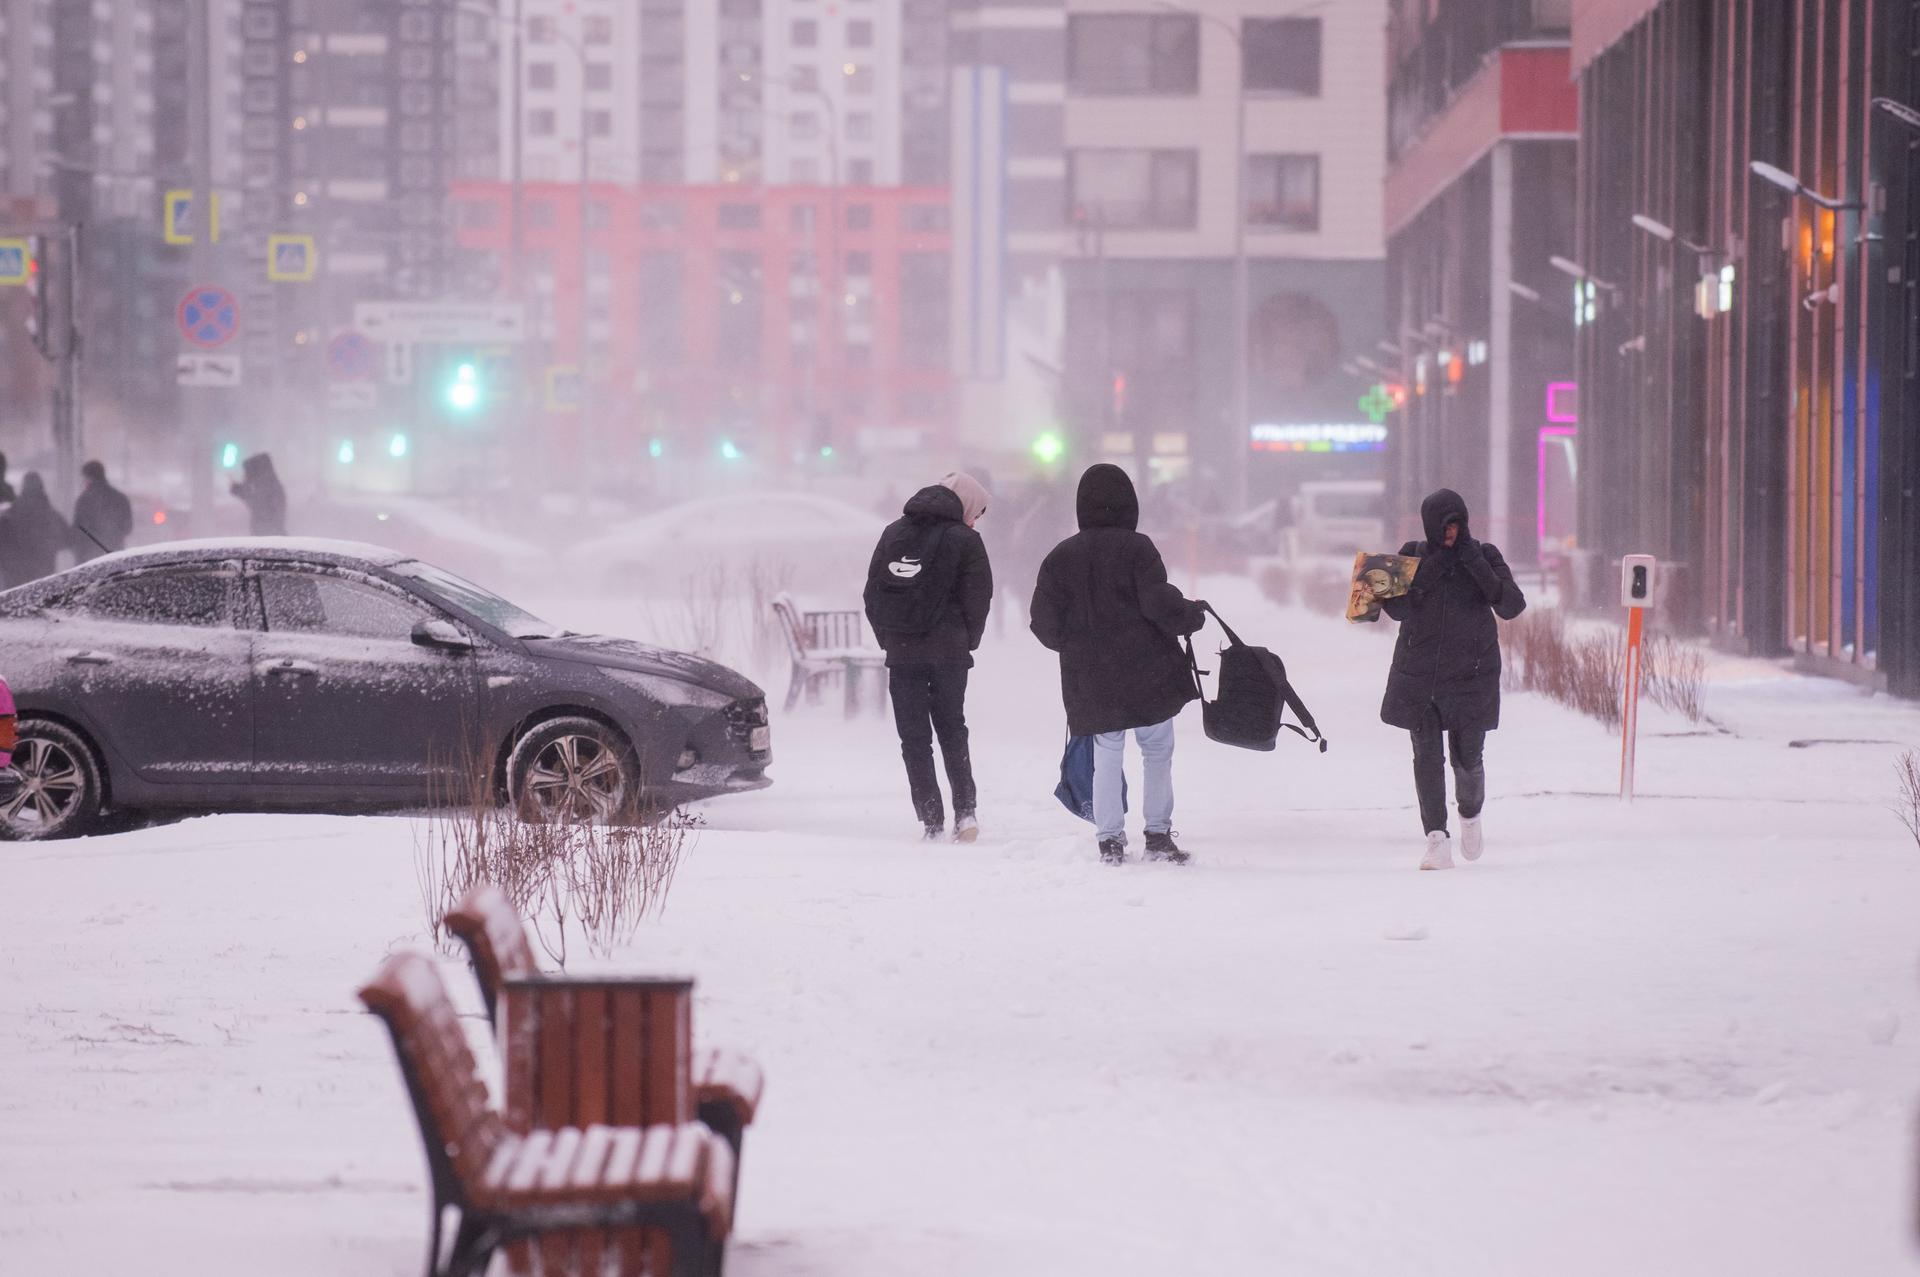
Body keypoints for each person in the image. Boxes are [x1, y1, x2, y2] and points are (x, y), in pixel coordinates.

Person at [1030, 464, 1207, 866]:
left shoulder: (1061, 556)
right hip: (1148, 670)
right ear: (1129, 503)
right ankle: (1158, 836)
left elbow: (1043, 622)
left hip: (1091, 675)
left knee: (1107, 753)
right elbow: (1157, 602)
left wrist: (1075, 645)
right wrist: (1190, 616)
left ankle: (1109, 840)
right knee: (1157, 750)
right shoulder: (1138, 548)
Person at [1378, 488, 1527, 871]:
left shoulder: (1485, 554)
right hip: (1419, 675)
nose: (1451, 533)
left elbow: (1510, 604)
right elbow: (1393, 609)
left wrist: (1471, 560)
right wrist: (1428, 571)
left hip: (1471, 675)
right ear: (1430, 526)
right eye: (1444, 526)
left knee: (1467, 759)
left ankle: (1470, 814)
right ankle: (1436, 840)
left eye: (1457, 525)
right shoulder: (1411, 554)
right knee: (1426, 757)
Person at [863, 472, 993, 842]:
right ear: (965, 504)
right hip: (949, 655)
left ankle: (930, 818)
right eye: (976, 513)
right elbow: (979, 596)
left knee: (914, 738)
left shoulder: (893, 534)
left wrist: (889, 638)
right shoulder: (966, 541)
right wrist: (968, 639)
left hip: (902, 655)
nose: (975, 520)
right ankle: (965, 813)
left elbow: (872, 593)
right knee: (953, 729)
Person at [0, 473, 73, 588]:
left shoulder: (12, 513)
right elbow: (67, 540)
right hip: (44, 573)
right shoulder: (50, 514)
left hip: (16, 575)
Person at [71, 460, 133, 560]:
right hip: (115, 555)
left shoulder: (84, 500)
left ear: (88, 478)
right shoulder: (120, 498)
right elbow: (128, 527)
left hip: (89, 557)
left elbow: (78, 530)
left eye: (84, 478)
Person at [230, 452, 288, 536]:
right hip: (269, 535)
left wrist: (239, 489)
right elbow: (254, 498)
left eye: (247, 472)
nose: (245, 476)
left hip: (268, 537)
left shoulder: (266, 487)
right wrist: (238, 489)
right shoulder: (268, 485)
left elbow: (257, 503)